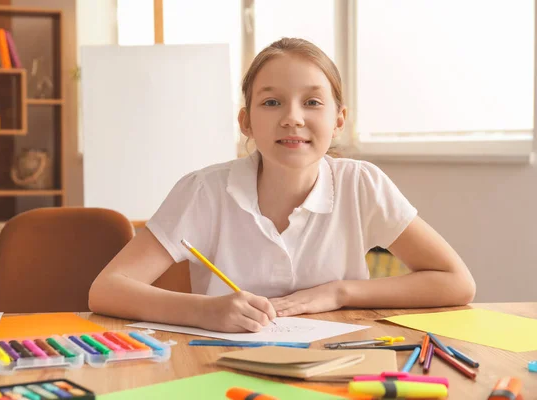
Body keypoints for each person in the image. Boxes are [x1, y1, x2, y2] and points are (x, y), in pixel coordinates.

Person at [89, 37, 475, 333]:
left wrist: (338, 292)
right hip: (221, 362)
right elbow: (106, 289)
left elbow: (456, 282)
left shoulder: (362, 184)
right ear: (246, 121)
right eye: (272, 103)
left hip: (339, 360)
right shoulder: (203, 190)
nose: (292, 118)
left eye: (312, 102)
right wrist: (205, 309)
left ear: (339, 120)